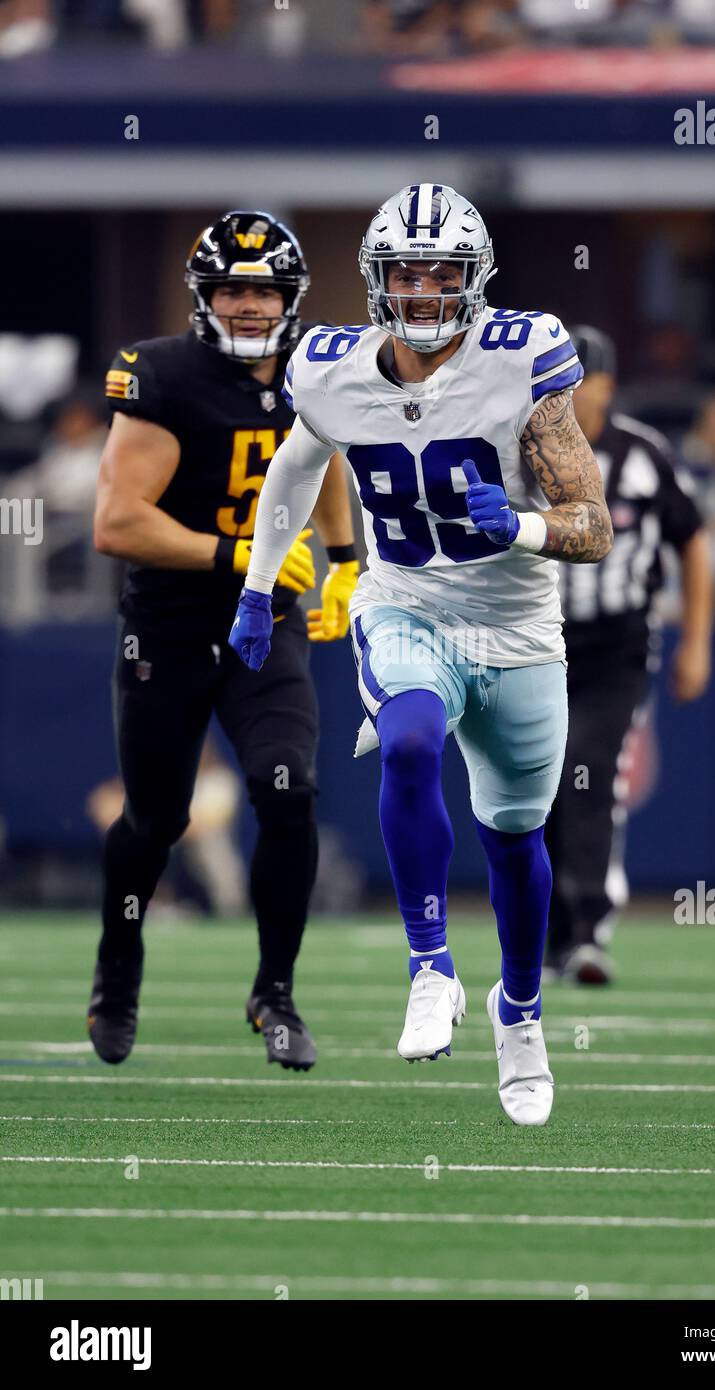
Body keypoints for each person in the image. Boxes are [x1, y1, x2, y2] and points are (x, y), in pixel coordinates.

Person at [229, 183, 612, 1125]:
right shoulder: (330, 368)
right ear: (378, 279)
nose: (427, 289)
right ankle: (429, 963)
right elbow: (297, 463)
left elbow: (594, 525)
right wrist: (256, 583)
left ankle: (517, 1012)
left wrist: (522, 525)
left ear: (475, 279)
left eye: (444, 272)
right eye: (408, 271)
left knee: (516, 835)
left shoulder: (521, 362)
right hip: (405, 603)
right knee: (406, 740)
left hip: (517, 626)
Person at [87, 210, 358, 1072]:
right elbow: (116, 520)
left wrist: (347, 556)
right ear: (205, 295)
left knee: (289, 790)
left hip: (264, 625)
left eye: (264, 289)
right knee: (157, 818)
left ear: (291, 296)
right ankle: (119, 963)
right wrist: (232, 553)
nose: (249, 305)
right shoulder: (162, 375)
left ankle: (274, 992)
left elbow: (324, 456)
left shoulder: (318, 368)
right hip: (169, 627)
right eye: (233, 288)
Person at [545, 327, 713, 985]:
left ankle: (587, 928)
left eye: (576, 384)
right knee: (541, 782)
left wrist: (698, 642)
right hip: (538, 645)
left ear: (608, 387)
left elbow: (692, 542)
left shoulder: (642, 455)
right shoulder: (520, 449)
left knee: (586, 767)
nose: (564, 399)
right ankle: (556, 932)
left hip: (616, 645)